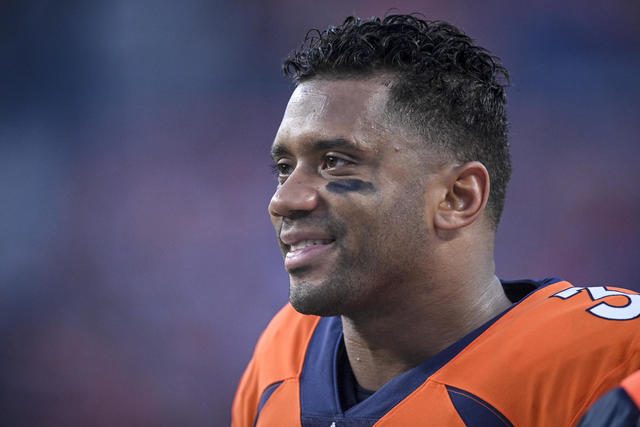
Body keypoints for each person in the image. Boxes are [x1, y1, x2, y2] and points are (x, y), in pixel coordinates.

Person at [232, 14, 640, 426]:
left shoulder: (609, 369)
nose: (284, 199)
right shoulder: (283, 354)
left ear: (457, 197)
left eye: (335, 163)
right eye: (284, 167)